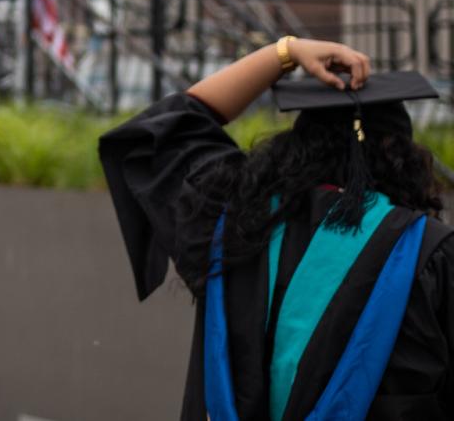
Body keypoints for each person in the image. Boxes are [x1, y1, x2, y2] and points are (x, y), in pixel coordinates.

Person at [99, 37, 454, 419]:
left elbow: (173, 124)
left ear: (296, 146)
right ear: (402, 158)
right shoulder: (428, 253)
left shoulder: (234, 221)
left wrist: (284, 52)